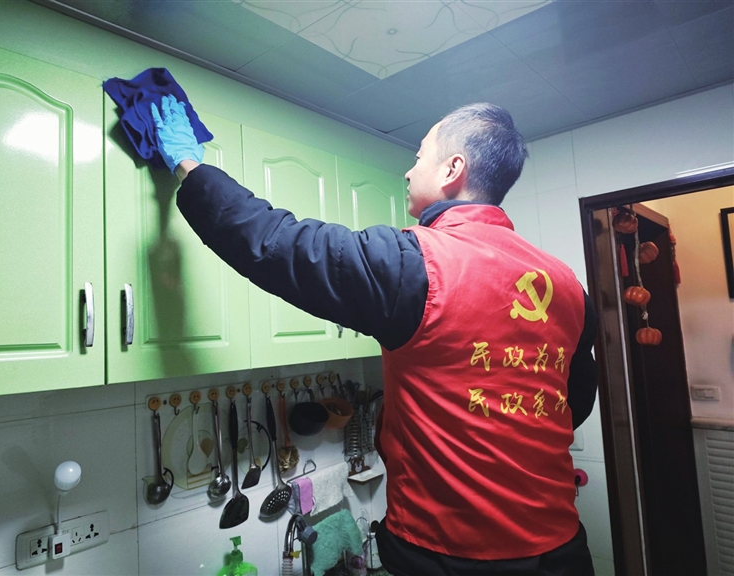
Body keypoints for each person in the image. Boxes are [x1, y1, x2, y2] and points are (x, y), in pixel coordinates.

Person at [147, 95, 598, 575]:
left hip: (446, 554)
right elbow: (574, 403)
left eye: (419, 157)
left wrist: (190, 166)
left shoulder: (414, 265)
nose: (409, 171)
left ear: (453, 169)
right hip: (562, 551)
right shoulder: (569, 286)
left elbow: (277, 242)